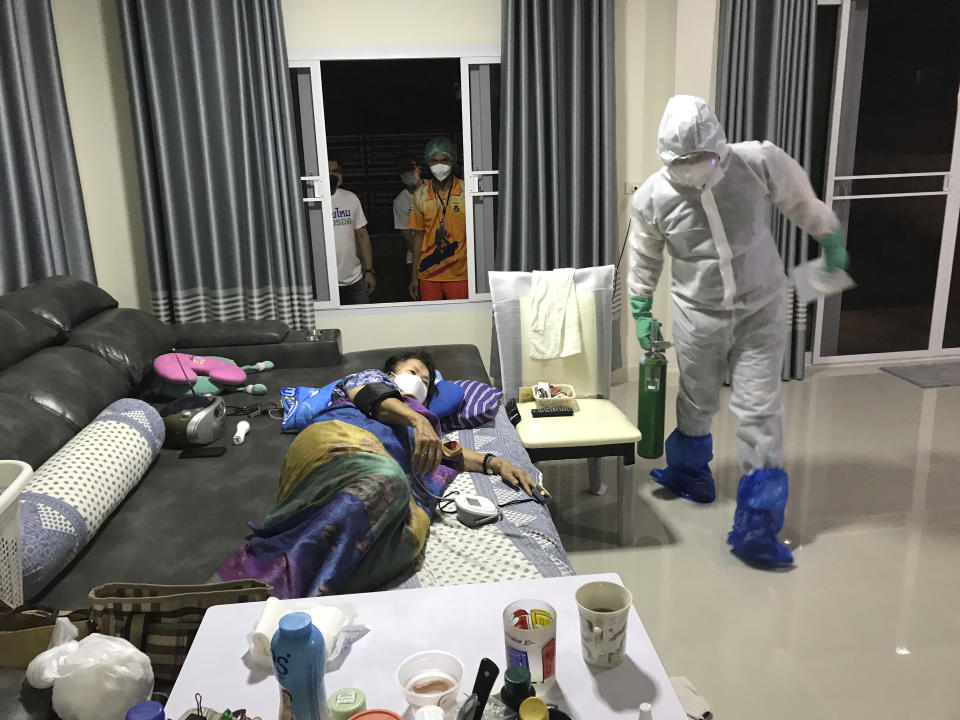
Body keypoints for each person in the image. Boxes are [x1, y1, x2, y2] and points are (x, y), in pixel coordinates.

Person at [628, 95, 850, 566]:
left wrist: (828, 238)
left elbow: (802, 202)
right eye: (680, 161)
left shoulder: (759, 163)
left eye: (701, 157)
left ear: (719, 145)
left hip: (761, 307)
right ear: (665, 156)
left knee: (759, 409)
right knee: (696, 397)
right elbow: (645, 257)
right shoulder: (651, 196)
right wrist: (641, 307)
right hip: (696, 311)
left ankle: (758, 522)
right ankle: (690, 474)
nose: (692, 167)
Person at [408, 137, 468, 301]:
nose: (439, 165)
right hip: (429, 274)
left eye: (444, 160)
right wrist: (414, 276)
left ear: (453, 161)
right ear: (427, 162)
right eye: (434, 161)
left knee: (460, 321)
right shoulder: (420, 194)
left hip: (460, 274)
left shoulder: (466, 191)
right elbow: (418, 237)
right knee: (431, 324)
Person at [329, 159, 375, 304]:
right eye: (328, 172)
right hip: (326, 284)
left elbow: (362, 235)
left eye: (335, 171)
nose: (332, 175)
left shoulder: (351, 198)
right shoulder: (313, 202)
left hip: (354, 280)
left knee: (363, 324)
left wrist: (368, 271)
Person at [393, 154, 425, 269]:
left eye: (411, 169)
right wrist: (421, 254)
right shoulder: (400, 201)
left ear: (419, 168)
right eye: (404, 172)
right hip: (417, 258)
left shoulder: (435, 188)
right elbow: (407, 234)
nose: (408, 174)